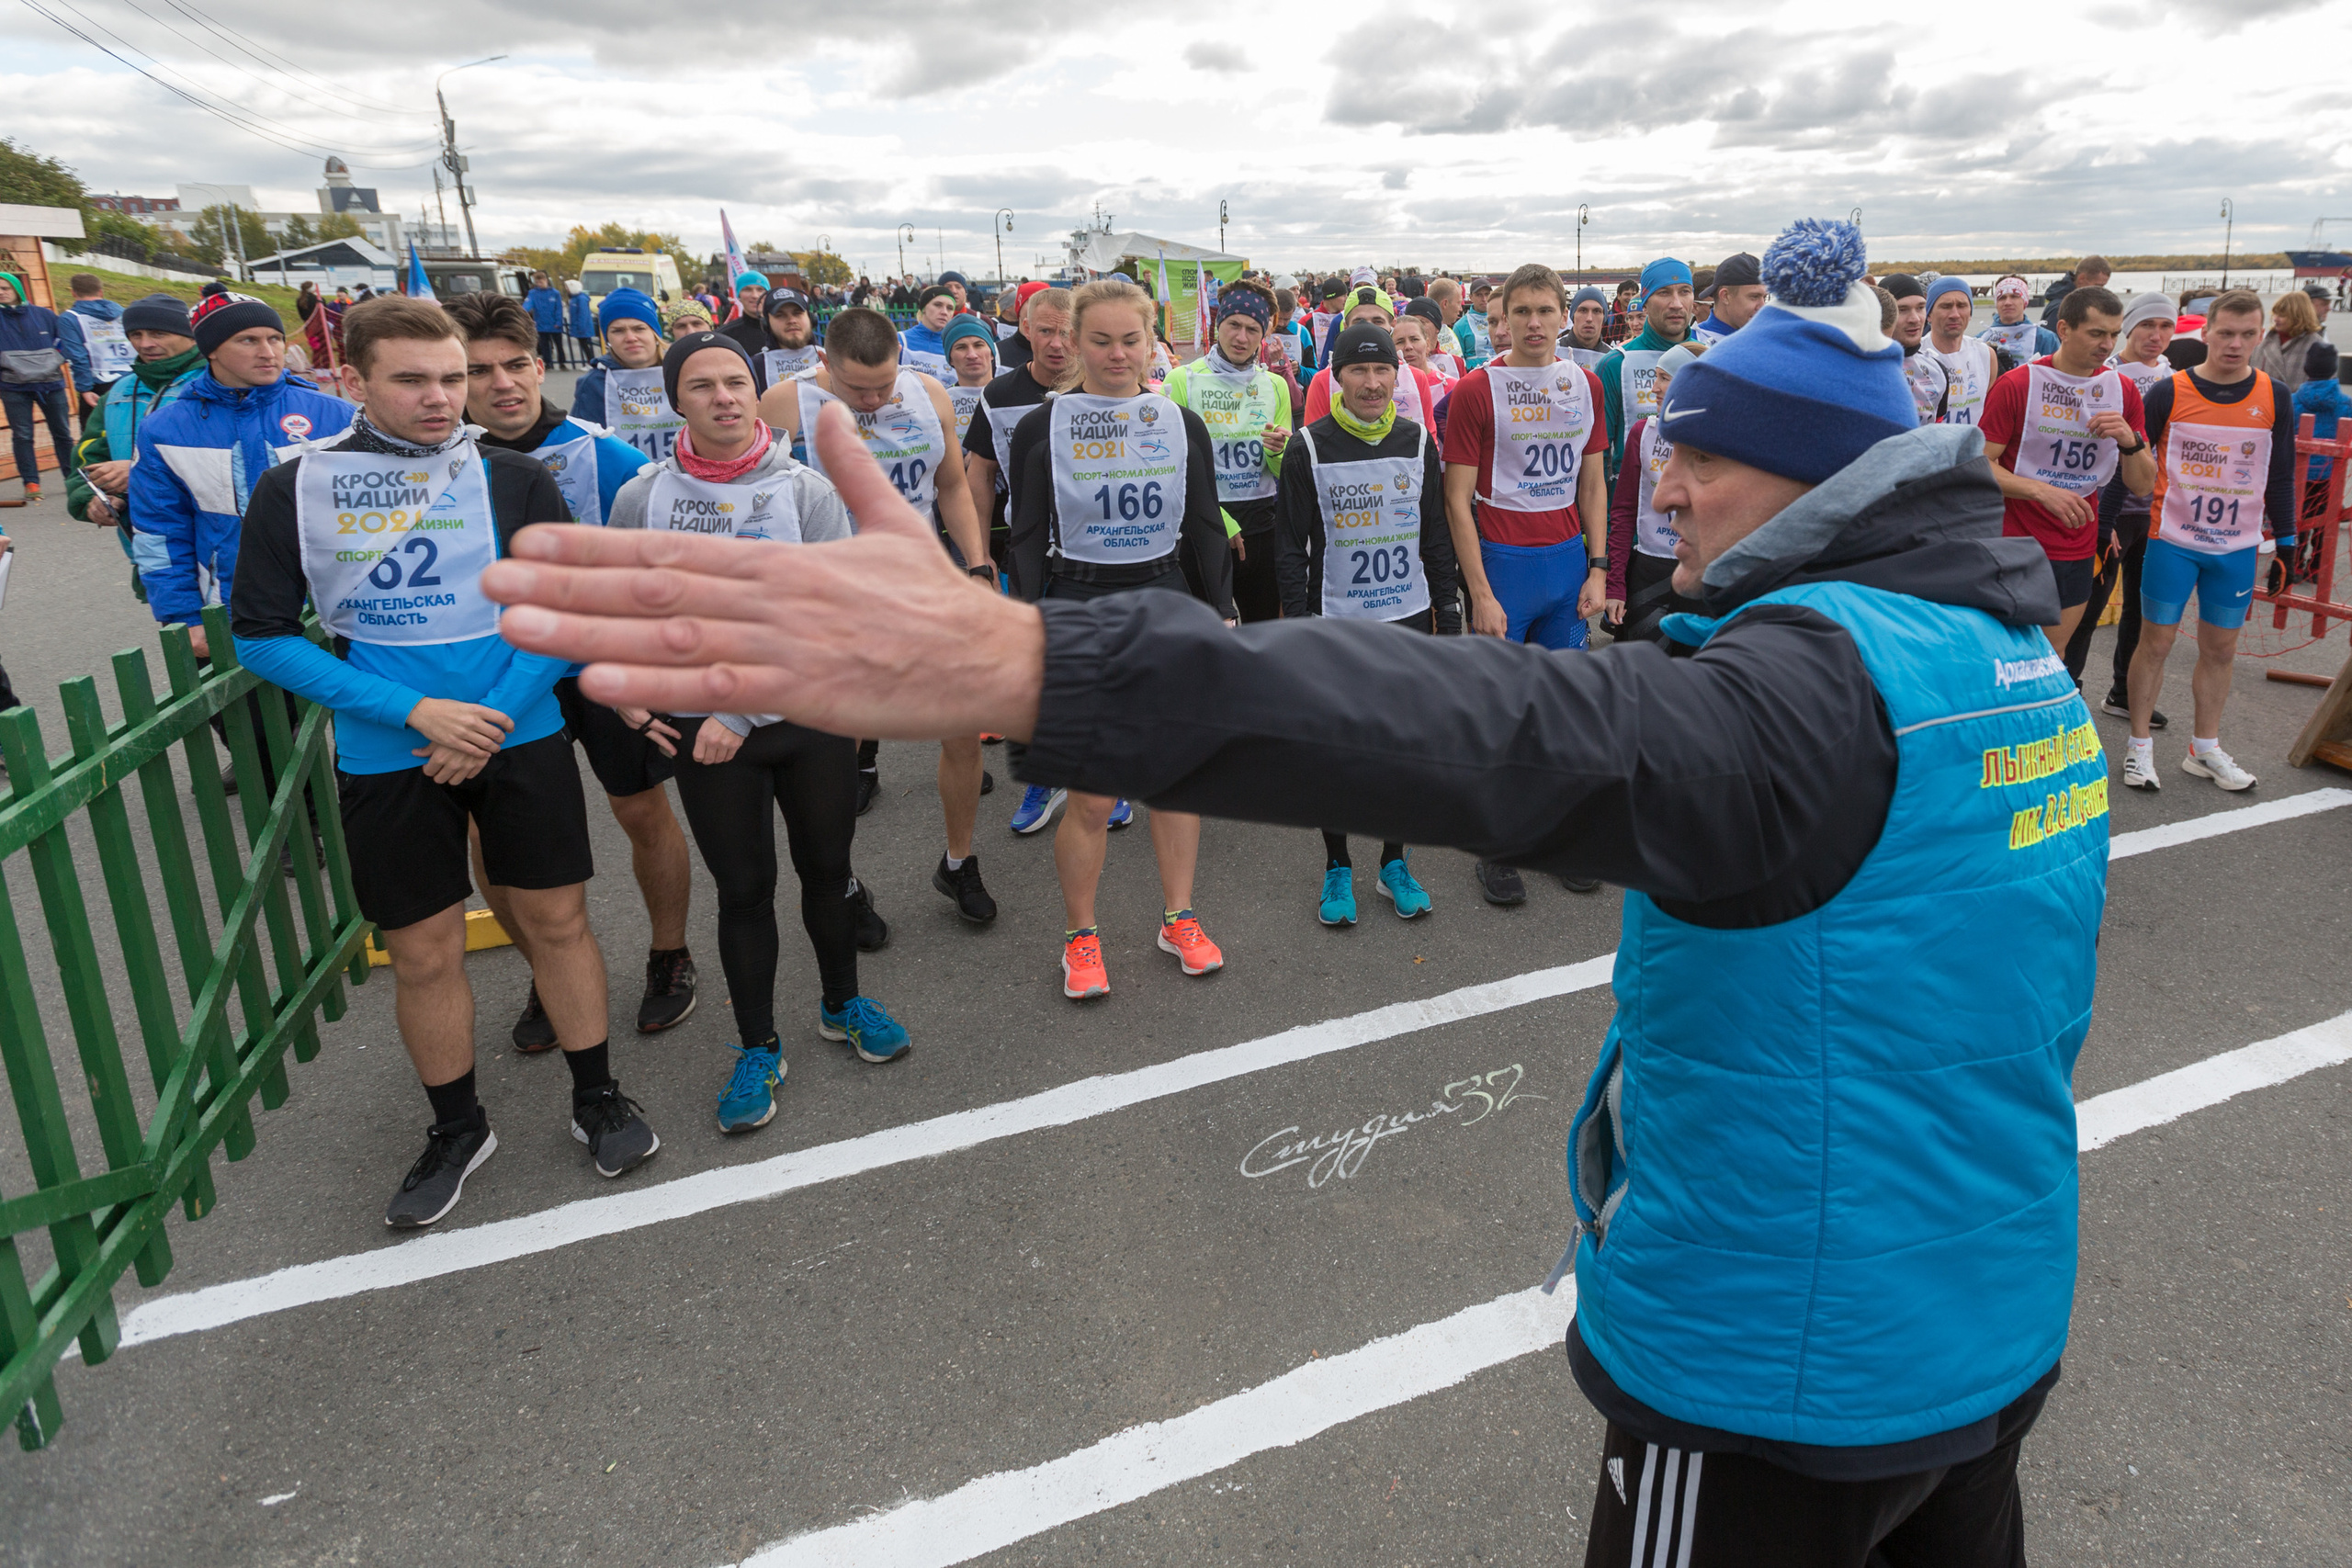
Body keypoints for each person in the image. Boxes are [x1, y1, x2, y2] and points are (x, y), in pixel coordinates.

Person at [487, 216, 2107, 1568]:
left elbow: (1469, 727)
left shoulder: (1809, 705)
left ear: (1811, 477)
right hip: (1987, 1311)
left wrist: (1025, 656)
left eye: (1698, 457)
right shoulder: (2005, 653)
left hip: (1784, 1368)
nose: (1662, 490)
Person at [232, 295, 659, 1224]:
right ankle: (457, 1127)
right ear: (353, 381)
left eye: (454, 378)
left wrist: (489, 721)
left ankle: (596, 1095)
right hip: (392, 751)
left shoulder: (515, 476)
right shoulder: (293, 488)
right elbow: (260, 638)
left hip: (518, 734)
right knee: (423, 953)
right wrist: (419, 711)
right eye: (412, 380)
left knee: (557, 921)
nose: (441, 398)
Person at [612, 332, 910, 1124]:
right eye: (703, 385)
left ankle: (842, 1004)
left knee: (827, 870)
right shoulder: (642, 496)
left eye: (737, 382)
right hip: (702, 731)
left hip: (798, 720)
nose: (725, 398)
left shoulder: (805, 489)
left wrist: (738, 713)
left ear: (756, 391)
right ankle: (757, 1046)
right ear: (676, 398)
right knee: (745, 891)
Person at [441, 289, 699, 1046]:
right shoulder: (430, 461)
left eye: (516, 364)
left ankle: (670, 953)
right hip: (497, 680)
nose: (502, 384)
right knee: (493, 841)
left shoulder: (603, 452)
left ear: (541, 363)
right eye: (478, 370)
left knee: (640, 810)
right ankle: (546, 969)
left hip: (605, 670)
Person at [999, 277, 1236, 998]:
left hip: (1163, 598)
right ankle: (1081, 934)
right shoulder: (1044, 425)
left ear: (1151, 340)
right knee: (1094, 797)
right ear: (1073, 341)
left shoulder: (1179, 420)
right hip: (1077, 601)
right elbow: (1027, 532)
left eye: (1130, 339)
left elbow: (1203, 523)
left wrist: (1221, 609)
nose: (1116, 353)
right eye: (1099, 340)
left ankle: (1179, 917)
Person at [759, 306, 998, 921]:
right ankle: (840, 882)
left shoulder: (929, 392)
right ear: (824, 363)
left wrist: (976, 563)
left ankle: (959, 861)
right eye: (854, 387)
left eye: (881, 385)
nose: (870, 398)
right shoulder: (785, 404)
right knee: (829, 759)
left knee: (963, 729)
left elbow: (949, 485)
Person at [1274, 322, 1457, 925]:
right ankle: (1337, 865)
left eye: (1383, 371)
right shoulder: (1309, 445)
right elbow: (1289, 549)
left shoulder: (1417, 441)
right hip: (1337, 624)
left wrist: (1448, 616)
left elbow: (1436, 535)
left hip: (1405, 619)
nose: (1373, 382)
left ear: (1398, 376)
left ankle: (1394, 861)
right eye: (1359, 370)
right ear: (1337, 377)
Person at [1440, 263, 1609, 905]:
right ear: (1502, 316)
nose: (1535, 323)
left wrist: (1598, 567)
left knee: (1564, 713)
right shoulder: (1477, 390)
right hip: (1503, 565)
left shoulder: (1585, 383)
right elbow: (1457, 500)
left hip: (1565, 563)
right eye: (1523, 311)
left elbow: (1593, 482)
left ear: (1563, 313)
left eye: (1546, 309)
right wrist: (1479, 592)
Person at [2120, 289, 2299, 795]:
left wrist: (2286, 546)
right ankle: (2138, 748)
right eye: (2225, 333)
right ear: (2205, 334)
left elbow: (2280, 476)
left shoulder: (2274, 396)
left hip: (2236, 547)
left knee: (2221, 650)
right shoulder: (2168, 391)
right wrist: (2108, 522)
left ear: (2260, 336)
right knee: (2154, 643)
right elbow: (2129, 459)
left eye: (2247, 335)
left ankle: (2205, 748)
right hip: (2173, 539)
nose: (2235, 344)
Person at [130, 289, 354, 651]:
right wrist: (182, 617)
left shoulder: (336, 415)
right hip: (229, 614)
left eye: (275, 338)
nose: (268, 352)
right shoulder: (164, 429)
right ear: (211, 349)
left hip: (338, 609)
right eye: (248, 340)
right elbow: (159, 532)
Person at [1978, 285, 2154, 652]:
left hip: (2076, 544)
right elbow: (1978, 465)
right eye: (2096, 333)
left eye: (2113, 334)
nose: (2107, 345)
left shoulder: (2123, 390)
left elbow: (2142, 484)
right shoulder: (2018, 383)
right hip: (2016, 542)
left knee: (2051, 659)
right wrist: (2040, 490)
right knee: (2004, 657)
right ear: (2063, 330)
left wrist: (2130, 441)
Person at [1164, 281, 1295, 625]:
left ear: (1263, 334)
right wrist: (1218, 521)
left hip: (1262, 523)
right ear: (1217, 325)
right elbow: (1171, 468)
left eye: (1253, 329)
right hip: (1203, 524)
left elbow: (1282, 471)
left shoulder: (1274, 384)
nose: (1242, 337)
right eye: (1233, 325)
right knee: (1207, 636)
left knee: (1263, 632)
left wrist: (1281, 451)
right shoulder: (1183, 380)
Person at [2075, 293, 2177, 713]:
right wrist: (2105, 517)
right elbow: (2101, 452)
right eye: (2146, 326)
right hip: (2112, 510)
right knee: (2087, 610)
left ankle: (2123, 692)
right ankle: (2070, 690)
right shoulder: (2108, 375)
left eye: (2166, 327)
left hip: (2154, 513)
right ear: (2128, 329)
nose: (2156, 336)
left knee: (2140, 608)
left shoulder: (2175, 378)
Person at [66, 293, 202, 594]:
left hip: (222, 550)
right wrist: (95, 501)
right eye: (135, 335)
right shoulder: (117, 393)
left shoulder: (216, 382)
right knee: (183, 637)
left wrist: (139, 473)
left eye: (158, 333)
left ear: (190, 336)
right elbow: (87, 460)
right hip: (152, 556)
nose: (145, 344)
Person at [964, 285, 1074, 634]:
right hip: (1026, 547)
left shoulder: (1100, 388)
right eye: (1045, 331)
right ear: (1026, 329)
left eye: (1067, 332)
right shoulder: (998, 394)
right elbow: (980, 475)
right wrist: (979, 557)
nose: (1056, 343)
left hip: (1090, 552)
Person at [1605, 342, 1705, 641]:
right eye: (1655, 376)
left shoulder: (1722, 438)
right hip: (1648, 568)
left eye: (1665, 378)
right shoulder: (1642, 433)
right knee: (1644, 676)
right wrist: (1615, 585)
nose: (1654, 388)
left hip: (1699, 572)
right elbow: (1623, 511)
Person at [1596, 259, 1699, 482]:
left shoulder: (1710, 359)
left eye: (1685, 292)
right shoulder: (1615, 364)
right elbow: (1597, 458)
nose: (1677, 304)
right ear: (1645, 301)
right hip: (1631, 508)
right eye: (1663, 293)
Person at [572, 288, 683, 459]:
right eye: (618, 331)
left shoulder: (684, 370)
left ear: (655, 333)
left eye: (639, 328)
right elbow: (582, 447)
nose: (630, 337)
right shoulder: (594, 384)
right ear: (608, 338)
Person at [0, 269, 74, 502]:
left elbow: (64, 343)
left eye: (5, 288)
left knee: (62, 433)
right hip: (13, 387)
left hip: (51, 383)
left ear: (17, 290)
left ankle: (73, 479)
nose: (0, 292)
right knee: (23, 435)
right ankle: (31, 483)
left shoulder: (45, 315)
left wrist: (54, 361)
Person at [1922, 276, 1999, 427]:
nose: (1955, 314)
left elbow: (1989, 412)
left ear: (1970, 313)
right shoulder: (1915, 355)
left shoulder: (1986, 355)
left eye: (1962, 306)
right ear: (1929, 315)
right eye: (1946, 306)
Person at [56, 271, 133, 423]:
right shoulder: (124, 313)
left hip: (99, 385)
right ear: (100, 291)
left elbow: (77, 356)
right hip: (132, 378)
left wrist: (84, 388)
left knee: (94, 436)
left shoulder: (69, 318)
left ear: (73, 293)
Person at [1882, 274, 1951, 424]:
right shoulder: (1862, 368)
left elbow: (1935, 429)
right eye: (1902, 309)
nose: (1915, 319)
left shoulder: (1937, 370)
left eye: (1920, 308)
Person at [941, 313, 999, 446]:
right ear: (950, 359)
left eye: (978, 345)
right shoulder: (940, 402)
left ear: (991, 353)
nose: (972, 355)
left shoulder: (1012, 394)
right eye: (961, 347)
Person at [2251, 288, 2324, 392]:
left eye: (2282, 315)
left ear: (2298, 316)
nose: (2275, 318)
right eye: (2275, 313)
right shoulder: (2263, 342)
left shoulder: (2316, 346)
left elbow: (2323, 388)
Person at [1690, 252, 1765, 344]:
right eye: (1754, 297)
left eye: (1765, 297)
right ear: (1725, 296)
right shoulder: (1692, 345)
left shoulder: (1769, 341)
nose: (1762, 306)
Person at [1979, 275, 2057, 362]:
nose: (2007, 302)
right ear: (1996, 304)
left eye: (2014, 296)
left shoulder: (2046, 339)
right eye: (2002, 298)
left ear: (2025, 302)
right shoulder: (1981, 340)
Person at [898, 286, 958, 379]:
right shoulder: (900, 340)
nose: (944, 312)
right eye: (938, 305)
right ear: (923, 308)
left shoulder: (955, 345)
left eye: (950, 308)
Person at [2040, 254, 2111, 331]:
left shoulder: (2082, 302)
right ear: (2081, 279)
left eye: (2103, 286)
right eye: (2098, 286)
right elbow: (2049, 341)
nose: (2101, 291)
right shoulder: (2060, 308)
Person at [524, 271, 568, 368]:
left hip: (554, 324)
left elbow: (558, 309)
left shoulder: (555, 293)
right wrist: (521, 312)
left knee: (559, 345)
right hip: (541, 323)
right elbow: (527, 304)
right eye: (537, 282)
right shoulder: (533, 293)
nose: (539, 284)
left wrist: (558, 322)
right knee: (544, 346)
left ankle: (562, 363)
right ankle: (548, 363)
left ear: (546, 281)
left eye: (541, 282)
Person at [1560, 287, 1611, 368]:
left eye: (1596, 311)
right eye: (1583, 310)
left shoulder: (1611, 359)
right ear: (1573, 315)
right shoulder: (1553, 351)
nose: (1589, 318)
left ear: (1604, 317)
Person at [566, 279, 596, 366]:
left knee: (586, 346)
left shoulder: (581, 299)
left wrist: (581, 327)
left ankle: (591, 363)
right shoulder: (575, 298)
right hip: (580, 327)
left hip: (583, 327)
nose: (567, 290)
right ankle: (590, 362)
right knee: (585, 346)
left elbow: (582, 314)